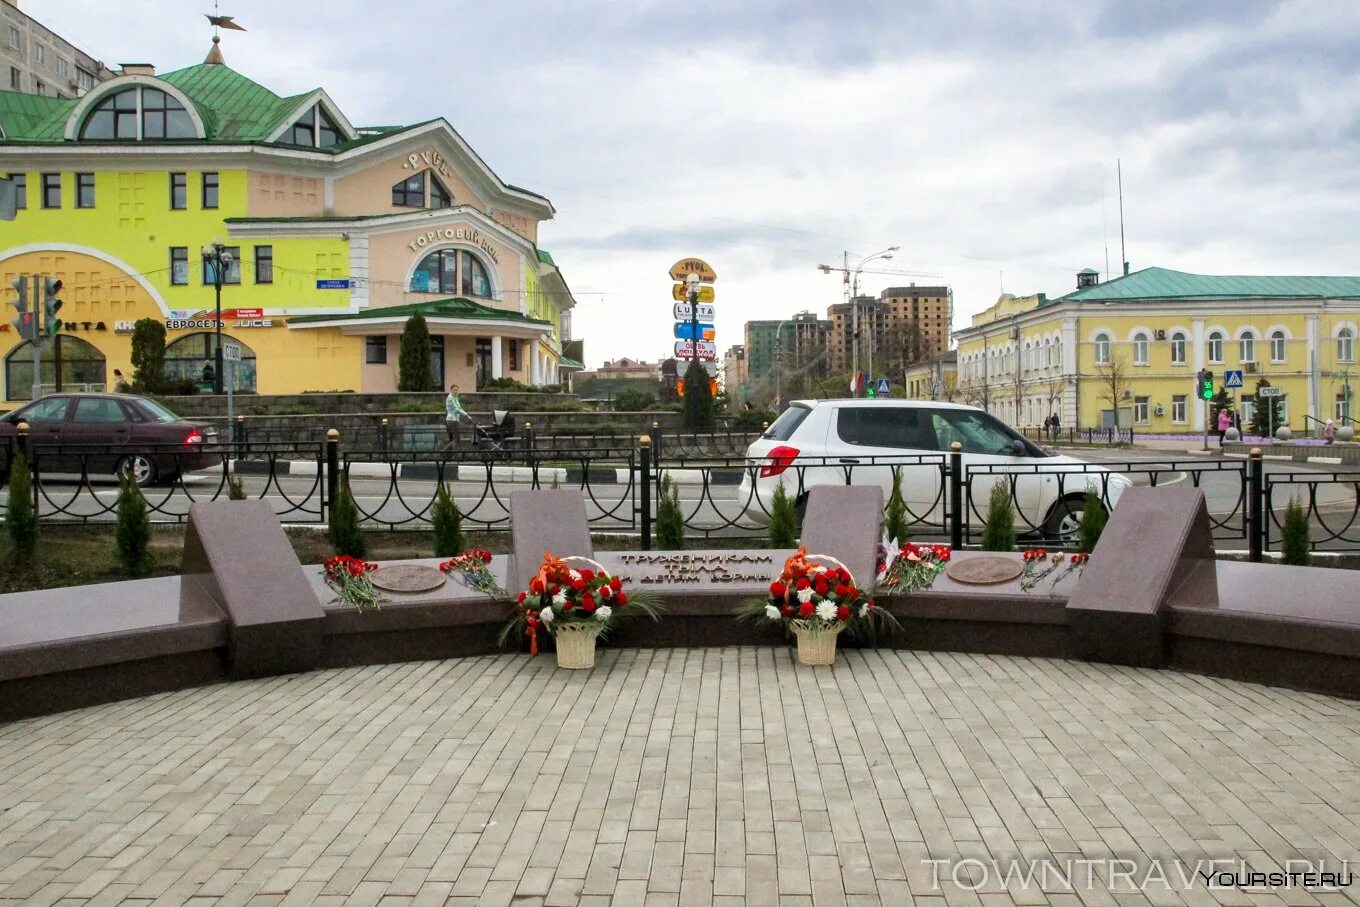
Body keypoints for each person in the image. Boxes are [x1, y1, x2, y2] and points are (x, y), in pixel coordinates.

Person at [445, 383, 469, 448]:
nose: (455, 391)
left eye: (456, 390)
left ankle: (456, 453)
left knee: (457, 439)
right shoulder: (450, 398)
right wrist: (465, 415)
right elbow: (456, 410)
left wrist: (467, 415)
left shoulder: (455, 397)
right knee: (456, 439)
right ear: (451, 390)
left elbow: (460, 408)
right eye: (454, 390)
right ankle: (454, 455)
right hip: (452, 420)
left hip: (455, 420)